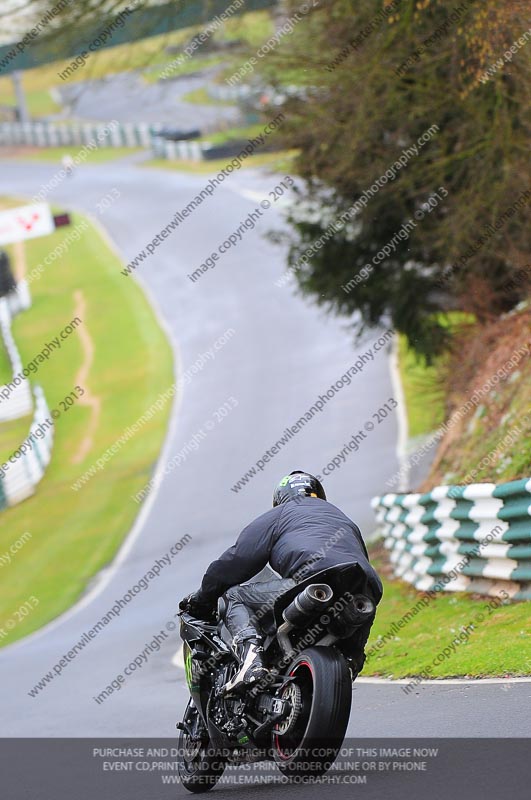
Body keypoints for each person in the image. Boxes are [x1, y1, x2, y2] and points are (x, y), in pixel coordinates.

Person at [179, 470, 382, 693]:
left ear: (279, 498)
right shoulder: (343, 519)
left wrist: (203, 599)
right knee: (358, 617)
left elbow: (236, 561)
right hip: (363, 589)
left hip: (309, 582)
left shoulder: (281, 513)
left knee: (233, 595)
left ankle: (251, 661)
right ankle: (351, 661)